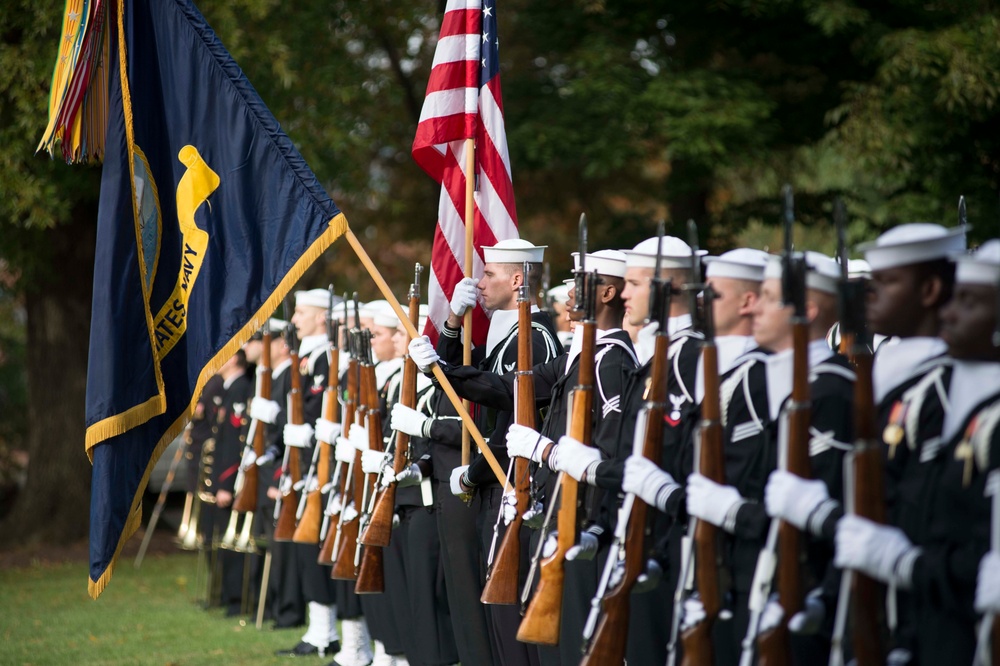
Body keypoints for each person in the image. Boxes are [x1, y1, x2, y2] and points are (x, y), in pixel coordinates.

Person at [837, 239, 1000, 665]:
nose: (950, 312)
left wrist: (906, 564)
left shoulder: (947, 396)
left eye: (970, 302)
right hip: (921, 619)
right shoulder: (966, 401)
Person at [409, 238, 561, 666]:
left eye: (489, 273)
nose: (479, 281)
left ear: (517, 280)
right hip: (498, 483)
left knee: (513, 615)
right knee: (497, 612)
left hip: (516, 485)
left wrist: (473, 474)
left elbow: (515, 412)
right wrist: (453, 320)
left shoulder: (534, 338)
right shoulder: (511, 334)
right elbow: (461, 379)